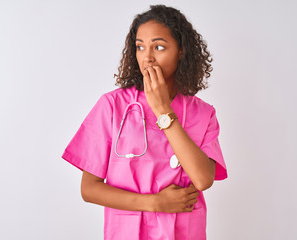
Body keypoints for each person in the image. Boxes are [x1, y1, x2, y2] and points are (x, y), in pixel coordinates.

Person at [62, 4, 227, 240]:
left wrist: (162, 110)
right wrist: (155, 203)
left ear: (181, 51)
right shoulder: (113, 106)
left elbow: (202, 179)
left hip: (185, 231)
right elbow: (89, 190)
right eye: (140, 47)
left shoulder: (203, 113)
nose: (147, 57)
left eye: (159, 47)